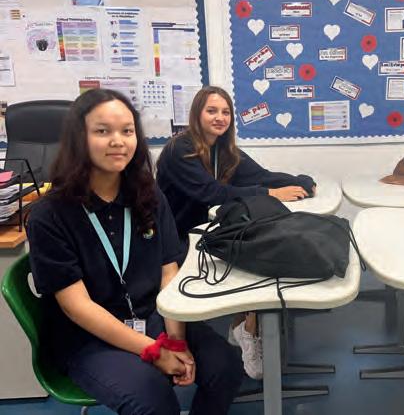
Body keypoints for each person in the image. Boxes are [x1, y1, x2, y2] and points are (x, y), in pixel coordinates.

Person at [26, 89, 243, 415]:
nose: (118, 141)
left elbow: (168, 271)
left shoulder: (147, 194)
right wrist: (154, 352)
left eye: (127, 131)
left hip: (151, 317)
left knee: (226, 366)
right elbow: (78, 308)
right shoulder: (50, 214)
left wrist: (174, 340)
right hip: (89, 338)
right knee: (153, 399)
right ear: (78, 138)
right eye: (103, 131)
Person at [157, 85, 316, 380]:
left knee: (260, 246)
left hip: (210, 231)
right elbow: (211, 193)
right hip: (178, 237)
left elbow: (261, 175)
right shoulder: (180, 149)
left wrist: (301, 181)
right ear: (197, 114)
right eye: (212, 111)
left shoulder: (224, 150)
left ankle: (245, 325)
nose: (220, 117)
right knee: (249, 255)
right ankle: (245, 326)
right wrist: (270, 193)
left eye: (225, 112)